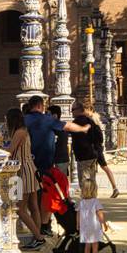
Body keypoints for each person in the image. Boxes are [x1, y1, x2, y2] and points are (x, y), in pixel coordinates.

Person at [24, 96, 90, 232]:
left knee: (30, 200)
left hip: (27, 165)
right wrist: (83, 129)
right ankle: (44, 225)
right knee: (46, 197)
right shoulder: (47, 119)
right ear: (40, 106)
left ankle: (34, 227)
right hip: (45, 165)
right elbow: (68, 126)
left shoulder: (24, 120)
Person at [5, 108, 46, 249]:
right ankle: (37, 236)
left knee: (20, 209)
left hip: (23, 171)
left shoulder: (19, 132)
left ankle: (39, 237)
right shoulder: (24, 131)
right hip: (30, 169)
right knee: (33, 206)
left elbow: (10, 152)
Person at [78, 175, 106, 253]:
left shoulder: (81, 202)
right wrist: (104, 224)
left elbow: (78, 214)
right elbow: (100, 214)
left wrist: (77, 225)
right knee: (95, 247)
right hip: (94, 226)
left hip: (85, 227)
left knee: (87, 246)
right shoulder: (95, 202)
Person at [48, 105, 71, 172]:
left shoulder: (61, 127)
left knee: (62, 180)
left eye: (48, 114)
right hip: (54, 160)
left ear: (55, 115)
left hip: (61, 160)